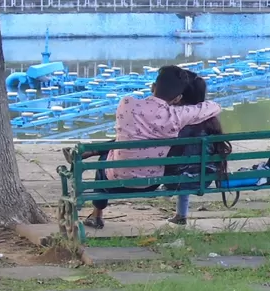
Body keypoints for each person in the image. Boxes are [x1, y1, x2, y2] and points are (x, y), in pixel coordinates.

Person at [81, 66, 220, 230]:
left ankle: (97, 215)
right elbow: (214, 106)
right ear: (177, 99)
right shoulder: (176, 117)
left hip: (115, 182)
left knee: (105, 160)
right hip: (152, 183)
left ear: (152, 87)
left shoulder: (126, 104)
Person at [166, 73, 230, 226]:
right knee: (191, 163)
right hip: (204, 178)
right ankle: (181, 214)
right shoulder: (211, 118)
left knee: (180, 164)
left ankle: (180, 213)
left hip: (178, 181)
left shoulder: (179, 118)